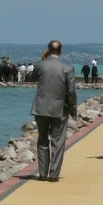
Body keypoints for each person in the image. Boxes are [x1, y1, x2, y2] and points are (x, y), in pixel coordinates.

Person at [30, 40, 77, 182]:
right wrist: (73, 109)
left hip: (41, 108)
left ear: (48, 50)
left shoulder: (39, 65)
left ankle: (42, 173)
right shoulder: (67, 68)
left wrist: (43, 59)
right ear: (61, 51)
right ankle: (54, 174)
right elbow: (71, 91)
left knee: (42, 140)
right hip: (60, 109)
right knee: (58, 142)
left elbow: (31, 78)